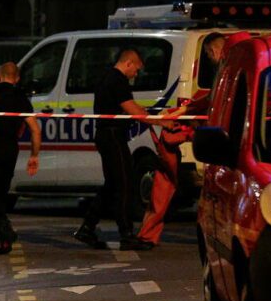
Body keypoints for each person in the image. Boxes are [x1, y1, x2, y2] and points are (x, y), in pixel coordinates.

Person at [137, 32, 229, 246]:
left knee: (169, 166)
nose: (209, 59)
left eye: (207, 54)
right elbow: (210, 100)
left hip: (217, 138)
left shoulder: (225, 71)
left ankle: (149, 233)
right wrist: (182, 111)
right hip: (217, 136)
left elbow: (212, 102)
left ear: (214, 51)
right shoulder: (231, 70)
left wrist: (179, 115)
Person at [74, 49, 171, 251]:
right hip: (112, 136)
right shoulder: (117, 80)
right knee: (125, 184)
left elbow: (131, 107)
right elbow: (132, 109)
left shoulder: (107, 77)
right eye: (136, 69)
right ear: (128, 63)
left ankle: (87, 228)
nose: (136, 74)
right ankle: (126, 234)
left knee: (112, 184)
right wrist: (161, 122)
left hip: (107, 136)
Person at [0, 62, 41, 254]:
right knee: (1, 193)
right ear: (17, 78)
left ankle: (3, 232)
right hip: (11, 149)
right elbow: (35, 129)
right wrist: (34, 155)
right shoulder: (21, 97)